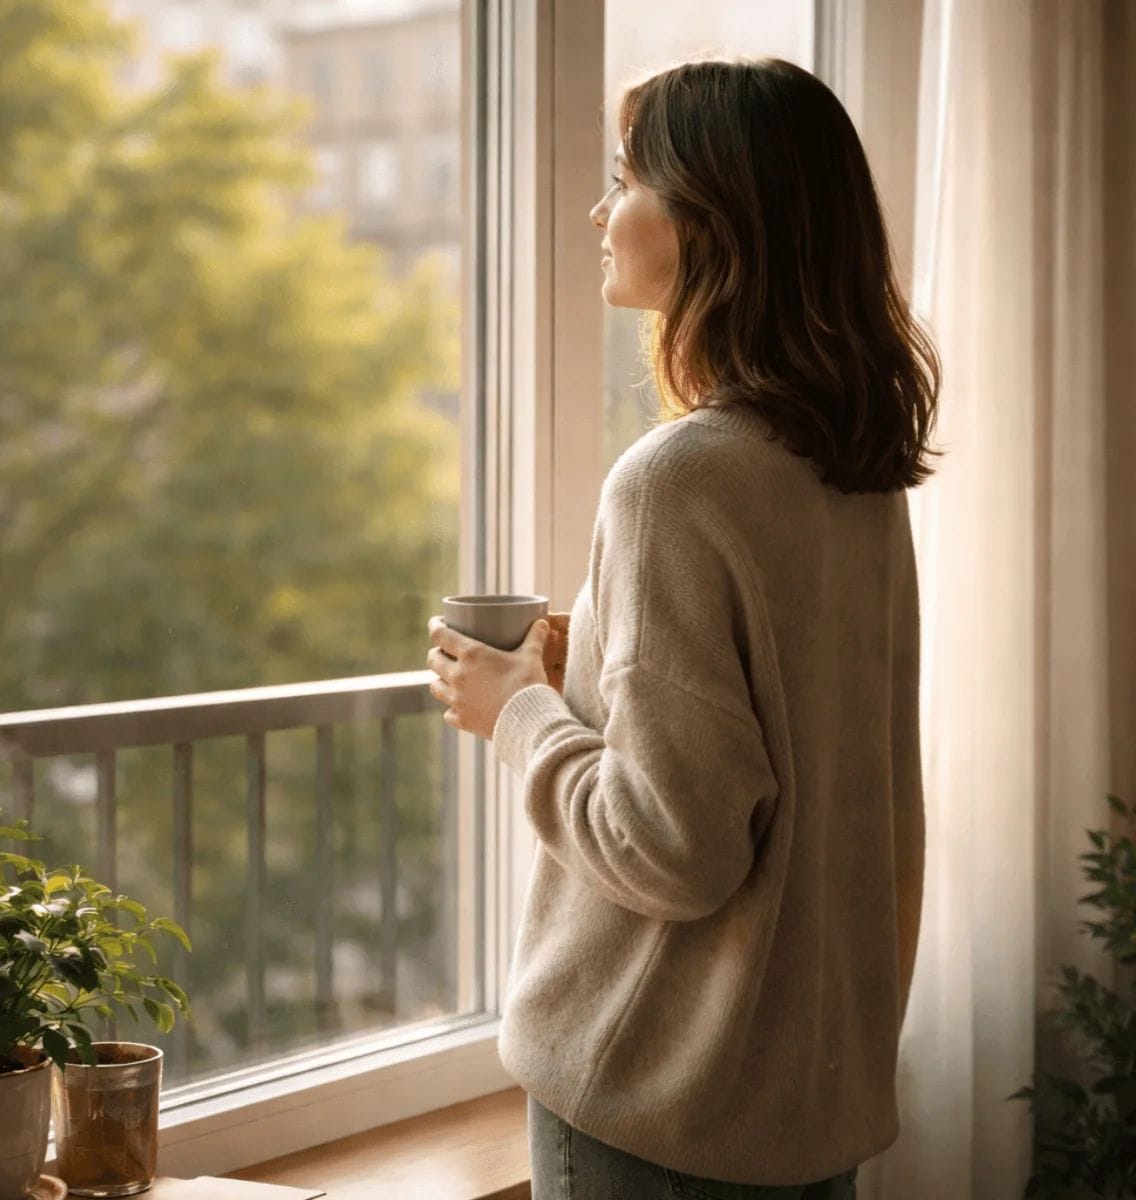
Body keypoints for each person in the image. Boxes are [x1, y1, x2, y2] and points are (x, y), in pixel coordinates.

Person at [427, 56, 940, 1200]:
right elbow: (791, 744)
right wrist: (601, 671)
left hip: (662, 1105)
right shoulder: (851, 470)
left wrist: (513, 713)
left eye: (625, 178)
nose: (602, 210)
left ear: (714, 216)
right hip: (804, 1095)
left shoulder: (676, 481)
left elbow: (673, 847)